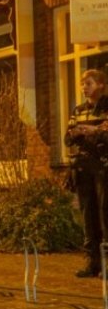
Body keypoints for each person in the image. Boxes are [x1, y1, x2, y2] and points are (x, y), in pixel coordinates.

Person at [65, 69, 108, 277]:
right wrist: (75, 133)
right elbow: (67, 138)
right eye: (83, 84)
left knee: (105, 213)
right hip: (83, 167)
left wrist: (97, 132)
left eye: (89, 83)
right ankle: (92, 262)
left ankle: (107, 263)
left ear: (101, 85)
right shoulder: (78, 110)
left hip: (103, 167)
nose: (84, 88)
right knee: (88, 214)